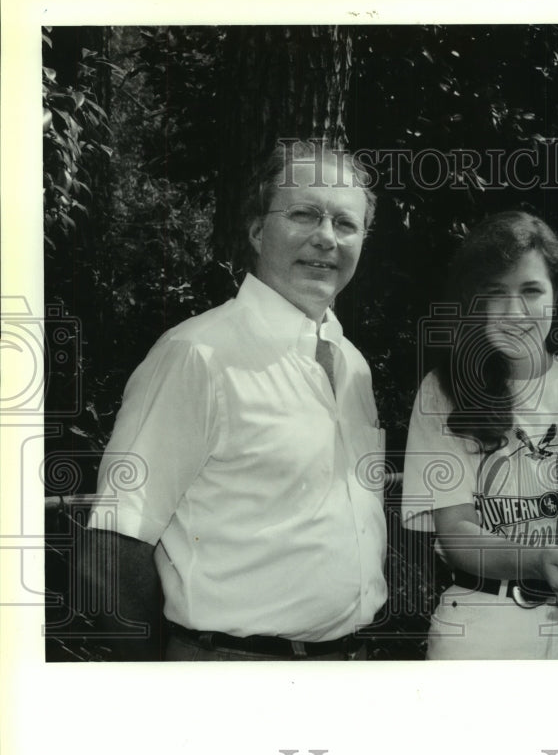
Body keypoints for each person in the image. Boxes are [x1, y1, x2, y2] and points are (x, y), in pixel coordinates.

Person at [83, 139, 387, 660]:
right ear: (255, 230)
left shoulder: (353, 364)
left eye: (345, 223)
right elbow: (112, 547)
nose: (325, 238)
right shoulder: (197, 355)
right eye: (304, 214)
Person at [401, 211, 558, 659]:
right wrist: (537, 560)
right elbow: (456, 534)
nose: (515, 313)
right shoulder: (443, 391)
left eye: (531, 291)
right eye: (495, 293)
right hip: (483, 632)